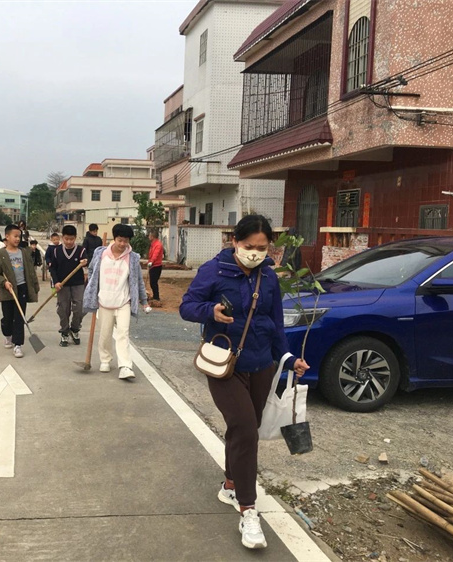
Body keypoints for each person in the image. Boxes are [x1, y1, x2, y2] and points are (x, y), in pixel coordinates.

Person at [179, 214, 310, 551]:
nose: (255, 253)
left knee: (242, 430)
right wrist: (210, 311)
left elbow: (275, 323)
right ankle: (249, 511)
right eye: (249, 246)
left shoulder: (269, 276)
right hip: (225, 364)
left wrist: (288, 358)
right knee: (246, 429)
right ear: (235, 241)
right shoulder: (214, 270)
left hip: (262, 364)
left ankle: (230, 484)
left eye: (262, 248)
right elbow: (187, 306)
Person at [83, 223, 148, 380]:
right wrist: (92, 286)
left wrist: (144, 300)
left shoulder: (133, 258)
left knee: (123, 333)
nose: (122, 244)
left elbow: (138, 281)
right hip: (104, 301)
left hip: (123, 302)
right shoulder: (101, 254)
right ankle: (105, 359)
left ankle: (125, 366)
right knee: (105, 334)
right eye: (120, 240)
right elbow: (91, 270)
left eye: (126, 241)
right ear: (114, 238)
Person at [0, 224, 40, 358]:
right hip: (7, 290)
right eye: (15, 236)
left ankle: (18, 345)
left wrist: (35, 286)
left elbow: (31, 271)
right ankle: (7, 334)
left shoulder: (24, 253)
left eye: (19, 236)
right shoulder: (1, 255)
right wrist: (4, 282)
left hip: (21, 288)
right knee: (8, 317)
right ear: (7, 236)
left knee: (19, 317)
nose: (18, 239)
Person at [50, 225, 88, 347]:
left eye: (71, 239)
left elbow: (86, 261)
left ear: (75, 238)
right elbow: (53, 268)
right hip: (62, 285)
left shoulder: (81, 250)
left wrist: (85, 262)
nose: (69, 242)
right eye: (66, 239)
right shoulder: (56, 251)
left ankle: (75, 329)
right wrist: (56, 282)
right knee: (63, 309)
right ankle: (65, 332)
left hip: (78, 284)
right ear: (62, 237)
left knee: (80, 308)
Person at [147, 229, 164, 302]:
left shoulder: (158, 245)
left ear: (152, 236)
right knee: (152, 282)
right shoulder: (153, 244)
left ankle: (156, 297)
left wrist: (151, 262)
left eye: (149, 236)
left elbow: (155, 254)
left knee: (153, 282)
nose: (148, 237)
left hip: (156, 266)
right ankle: (155, 296)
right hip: (153, 265)